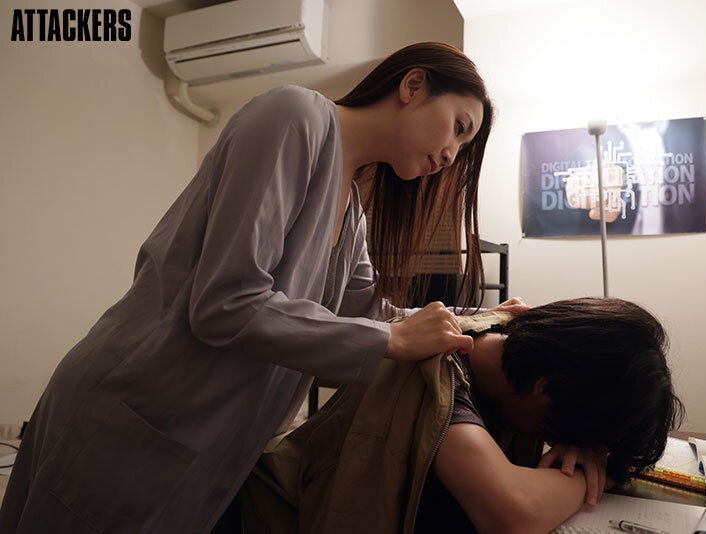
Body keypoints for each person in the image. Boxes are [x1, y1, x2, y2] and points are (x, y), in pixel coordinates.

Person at [0, 42, 527, 533]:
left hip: (201, 444)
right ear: (413, 86)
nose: (452, 154)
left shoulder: (353, 217)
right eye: (458, 127)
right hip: (135, 411)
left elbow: (376, 317)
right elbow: (225, 303)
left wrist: (484, 318)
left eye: (464, 146)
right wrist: (390, 339)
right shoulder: (295, 116)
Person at [237, 297, 685, 534]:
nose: (558, 441)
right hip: (267, 516)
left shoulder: (506, 349)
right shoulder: (438, 379)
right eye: (563, 431)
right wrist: (599, 473)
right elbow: (514, 513)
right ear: (543, 389)